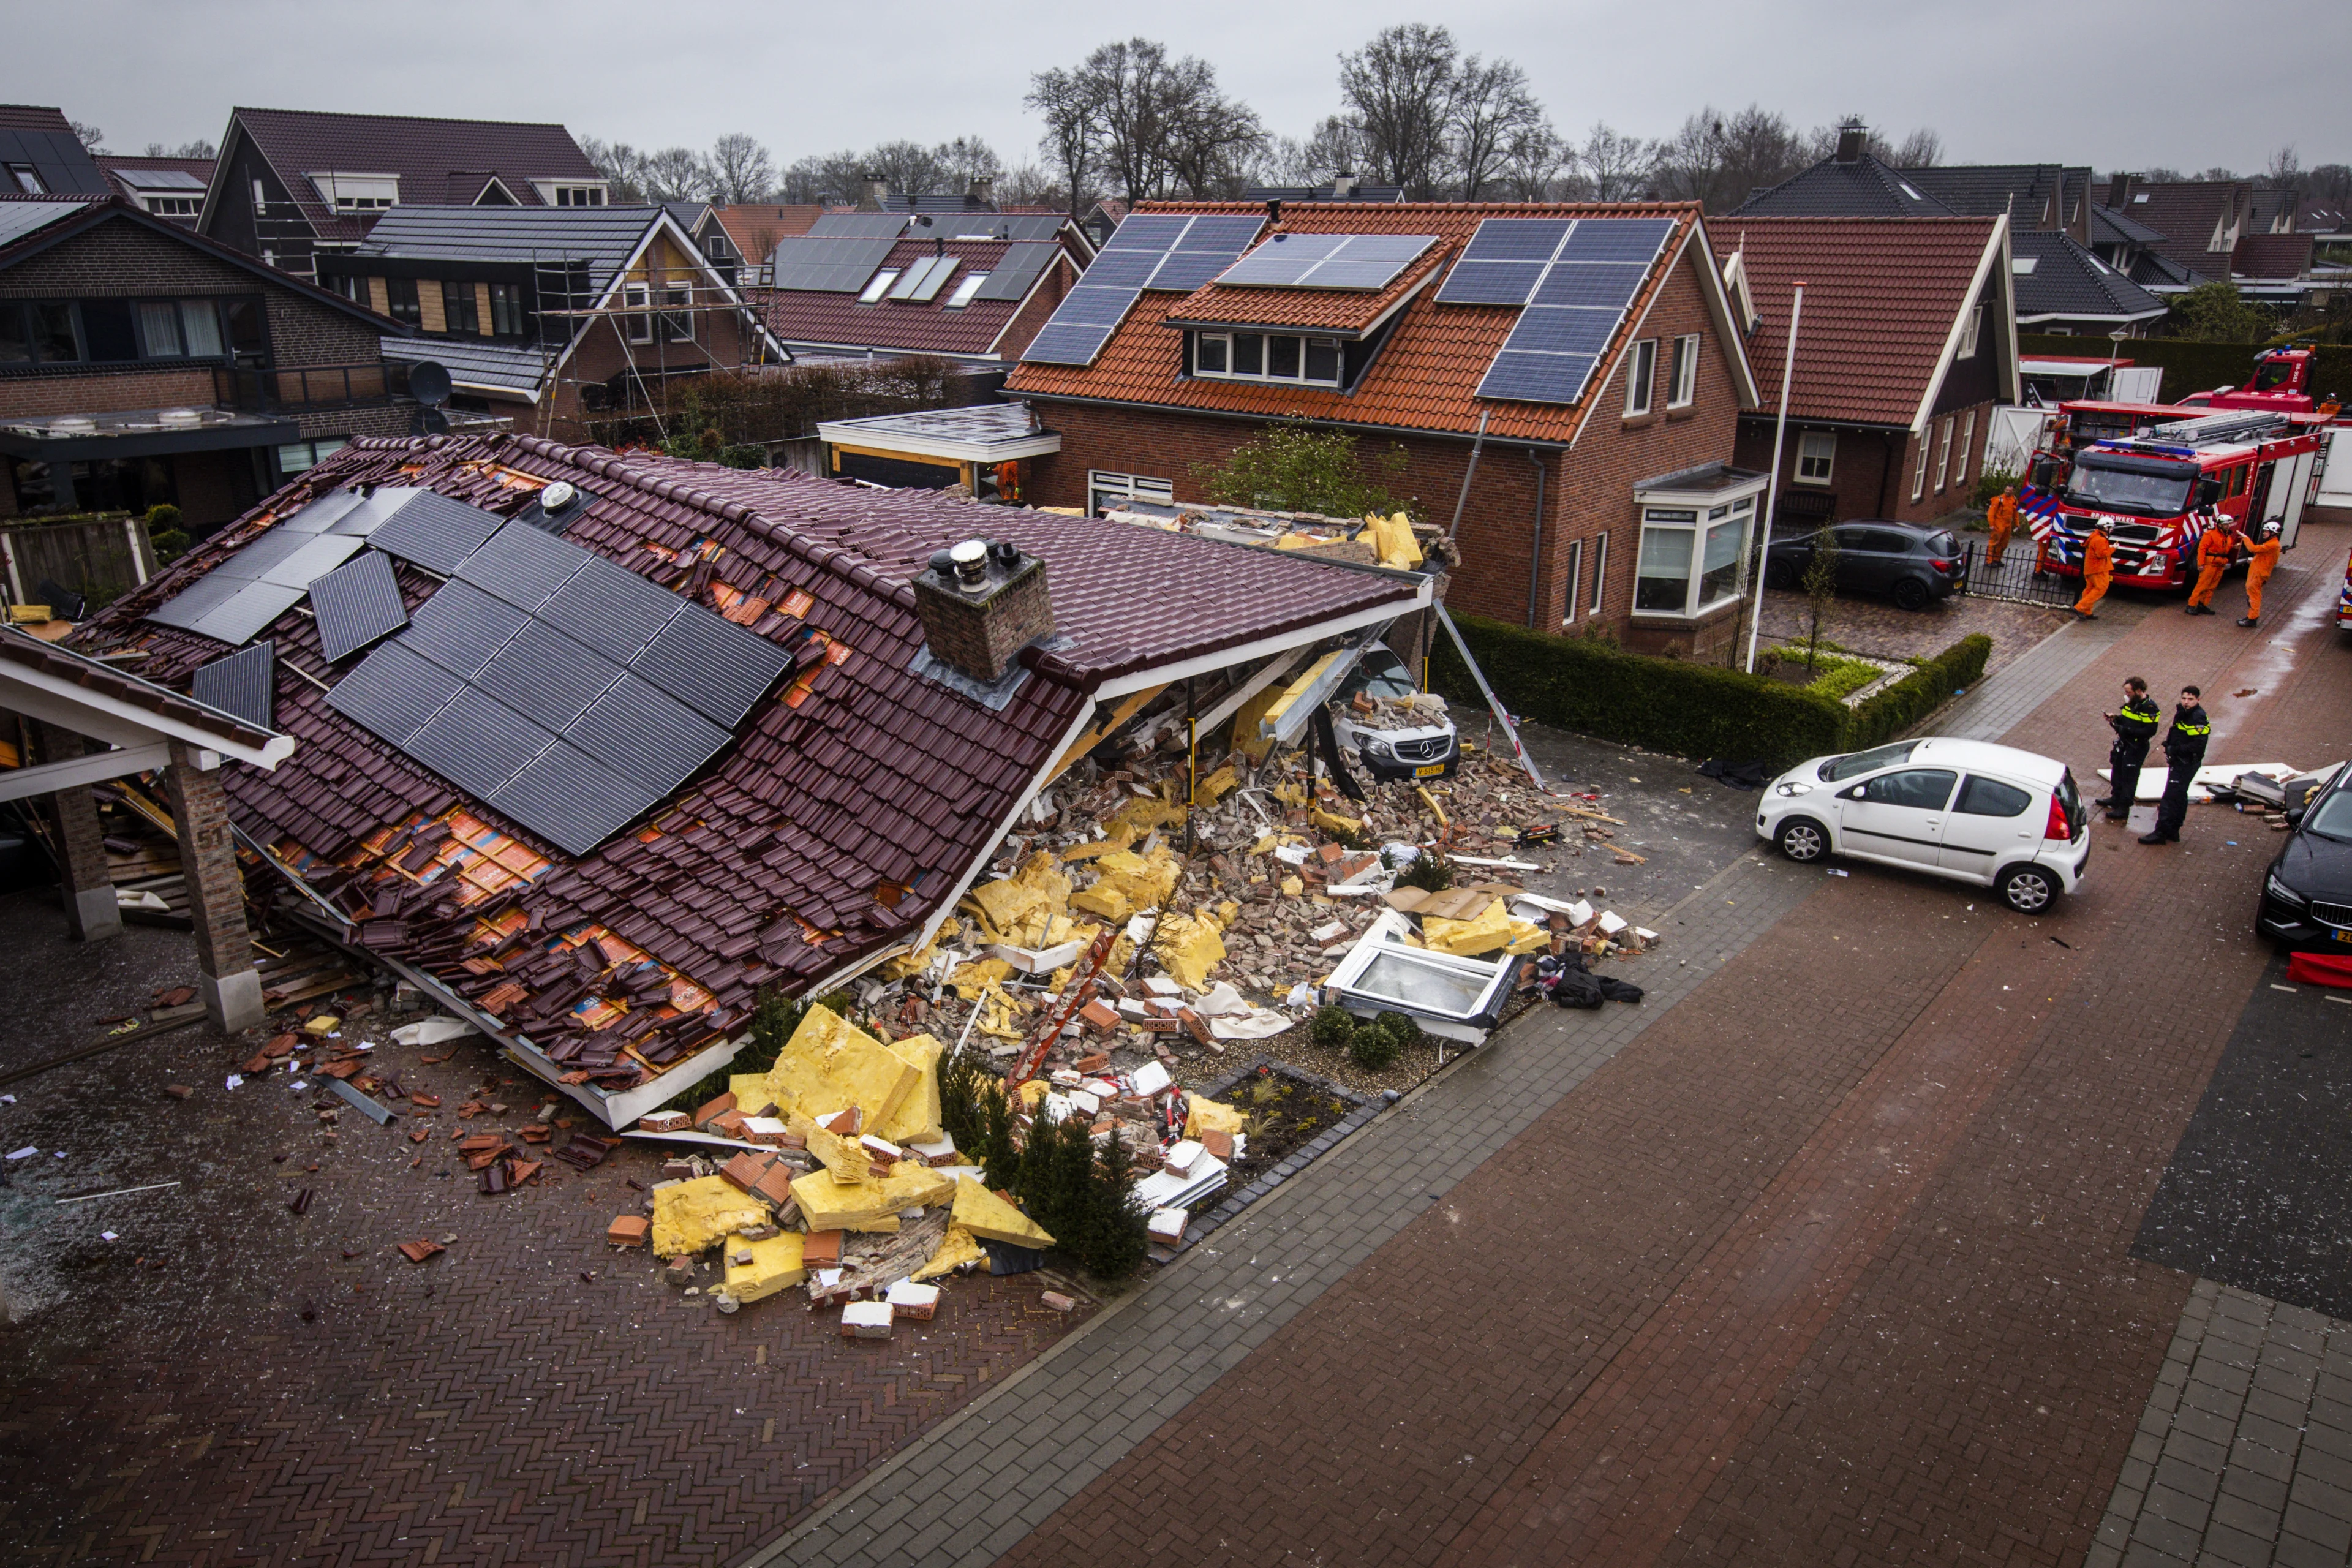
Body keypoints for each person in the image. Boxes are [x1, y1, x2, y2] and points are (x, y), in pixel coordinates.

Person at [2141, 685, 2211, 845]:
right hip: (2181, 760)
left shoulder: (2197, 717)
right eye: (2184, 698)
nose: (2186, 702)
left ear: (2198, 700)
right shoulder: (2185, 713)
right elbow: (2180, 732)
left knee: (2170, 798)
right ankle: (2173, 830)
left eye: (2190, 699)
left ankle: (2161, 832)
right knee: (2179, 796)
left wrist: (2175, 749)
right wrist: (2170, 743)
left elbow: (2199, 744)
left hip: (2185, 763)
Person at [2098, 676, 2163, 823]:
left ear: (2138, 691)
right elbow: (2127, 718)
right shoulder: (2131, 703)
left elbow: (2149, 731)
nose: (2126, 695)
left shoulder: (2150, 707)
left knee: (2129, 777)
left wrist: (2125, 730)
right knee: (2117, 771)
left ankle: (2124, 808)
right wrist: (2115, 718)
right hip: (2124, 743)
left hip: (2136, 746)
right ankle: (2115, 798)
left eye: (2129, 692)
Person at [2185, 519, 2237, 614]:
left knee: (2212, 587)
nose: (2228, 526)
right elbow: (2202, 549)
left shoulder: (2227, 536)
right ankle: (2191, 605)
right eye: (2226, 524)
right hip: (2210, 564)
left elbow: (2225, 548)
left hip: (2220, 565)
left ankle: (2203, 605)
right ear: (2220, 524)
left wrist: (2234, 547)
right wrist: (2200, 564)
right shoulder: (2210, 534)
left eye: (2229, 524)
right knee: (2202, 585)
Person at [2238, 521, 2282, 627]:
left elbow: (2253, 549)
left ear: (2273, 533)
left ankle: (2252, 619)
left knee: (2254, 597)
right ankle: (2251, 616)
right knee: (2252, 595)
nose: (2264, 533)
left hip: (2259, 574)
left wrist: (2245, 538)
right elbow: (2267, 558)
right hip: (2258, 572)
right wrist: (2255, 560)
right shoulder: (2272, 544)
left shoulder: (2272, 544)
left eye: (2266, 532)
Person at [2074, 521, 2113, 618]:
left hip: (2090, 568)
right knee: (2101, 588)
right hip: (2098, 569)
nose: (2112, 530)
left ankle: (2087, 612)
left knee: (2090, 589)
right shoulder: (2100, 540)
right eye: (2110, 528)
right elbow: (2102, 554)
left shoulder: (2094, 536)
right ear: (2105, 528)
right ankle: (2080, 607)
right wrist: (2113, 548)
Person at [1986, 484, 2019, 567]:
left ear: (2013, 491)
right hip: (1999, 523)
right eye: (2007, 490)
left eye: (2010, 490)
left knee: (2004, 543)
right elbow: (1991, 513)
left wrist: (2017, 524)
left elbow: (2015, 513)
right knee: (1994, 542)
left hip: (2008, 524)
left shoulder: (2014, 500)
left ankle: (1997, 559)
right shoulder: (1998, 500)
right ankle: (1989, 561)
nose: (2008, 492)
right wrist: (1991, 524)